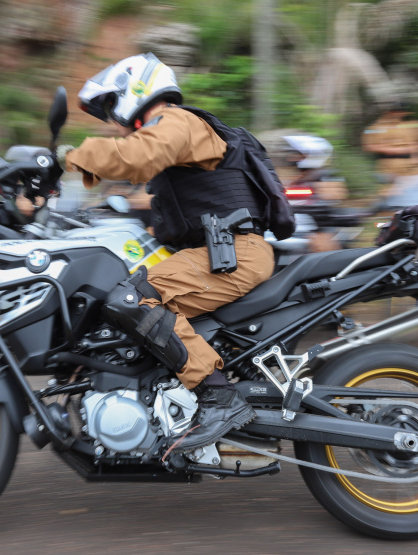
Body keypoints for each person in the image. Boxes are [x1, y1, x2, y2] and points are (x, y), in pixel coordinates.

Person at [63, 53, 288, 453]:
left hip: (234, 254)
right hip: (221, 252)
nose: (113, 119)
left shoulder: (176, 120)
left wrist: (68, 157)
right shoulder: (177, 133)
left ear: (137, 89)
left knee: (133, 299)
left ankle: (218, 397)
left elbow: (134, 157)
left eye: (112, 105)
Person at [361, 101, 418, 180]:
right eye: (395, 110)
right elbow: (368, 146)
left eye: (401, 110)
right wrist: (397, 150)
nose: (398, 113)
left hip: (415, 166)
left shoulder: (415, 124)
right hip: (389, 168)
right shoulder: (374, 128)